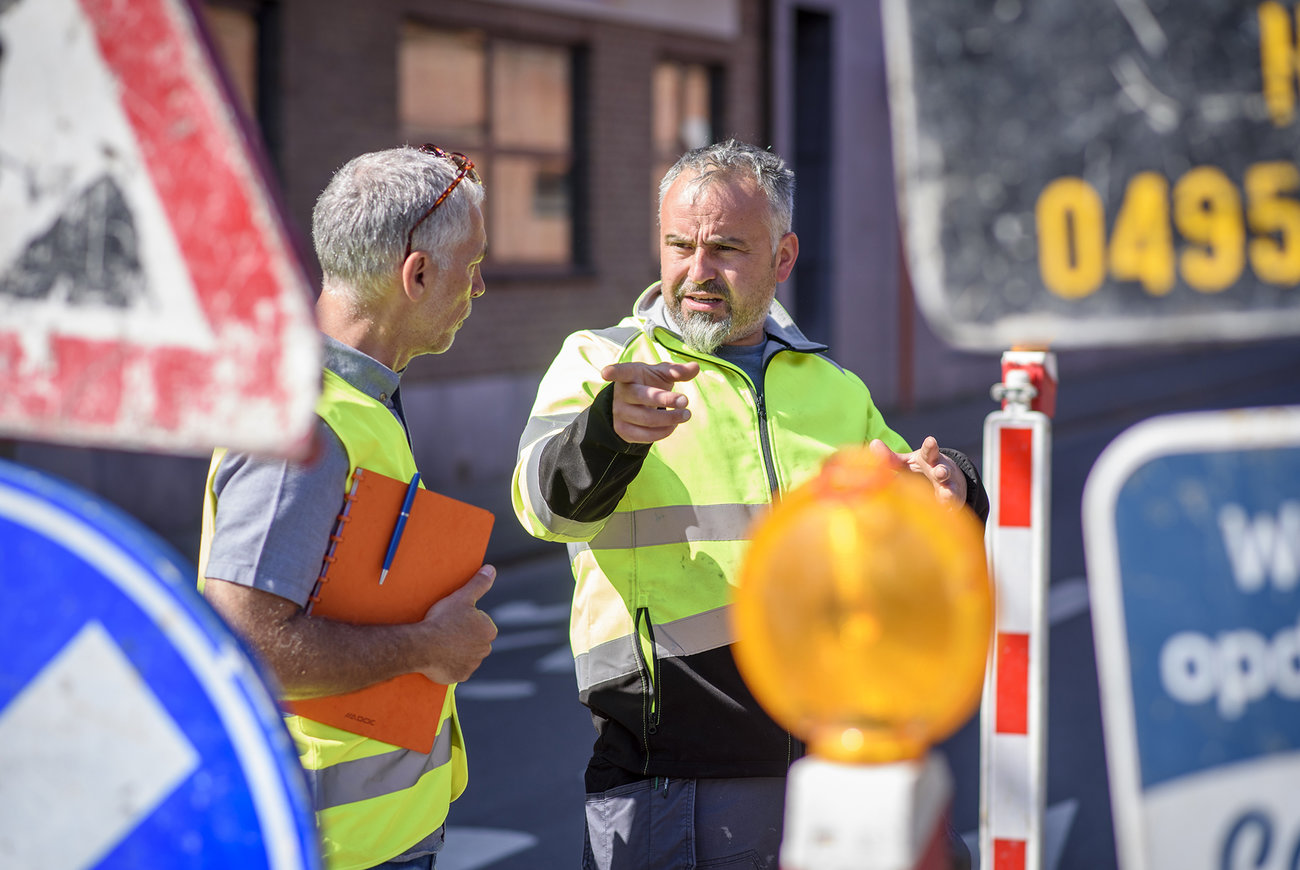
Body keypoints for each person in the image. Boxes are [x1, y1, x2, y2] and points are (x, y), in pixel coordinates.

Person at [511, 139, 988, 870]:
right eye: (678, 246)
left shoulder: (831, 385)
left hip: (839, 769)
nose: (695, 272)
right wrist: (611, 428)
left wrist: (952, 483)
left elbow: (910, 505)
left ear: (784, 257)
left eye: (726, 249)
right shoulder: (601, 362)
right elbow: (545, 508)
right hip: (675, 784)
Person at [198, 145, 497, 870]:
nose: (480, 287)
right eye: (472, 265)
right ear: (416, 274)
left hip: (368, 840)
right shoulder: (306, 426)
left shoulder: (356, 403)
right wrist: (429, 647)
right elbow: (249, 643)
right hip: (334, 848)